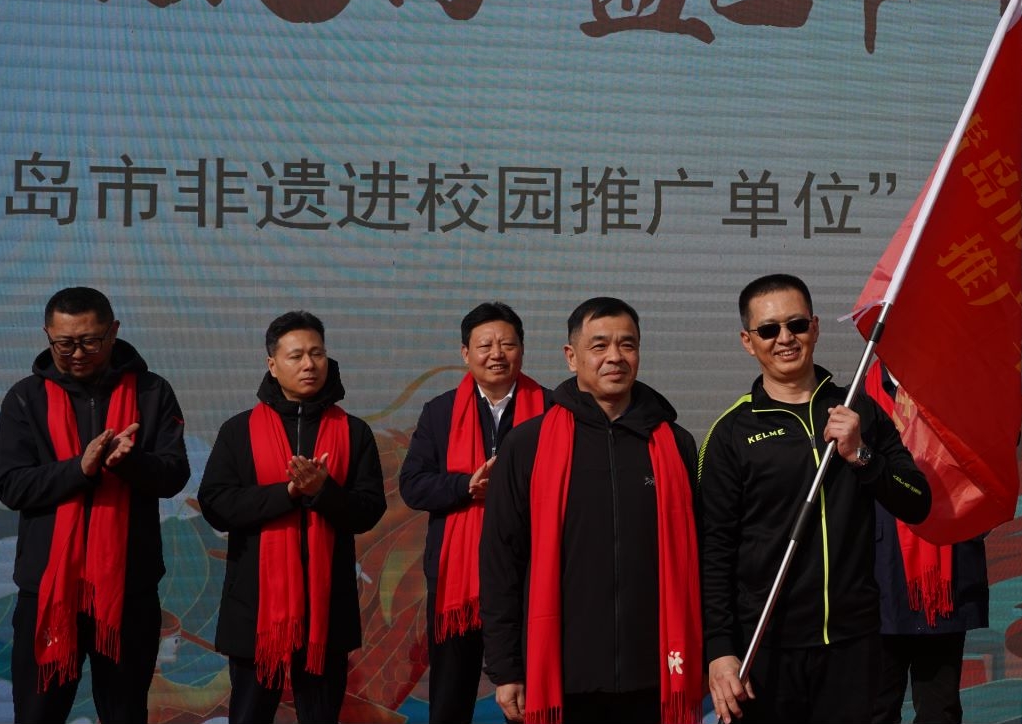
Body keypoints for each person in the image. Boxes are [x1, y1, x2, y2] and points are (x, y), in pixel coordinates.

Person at [700, 273, 932, 724]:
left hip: (854, 643)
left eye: (797, 324)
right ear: (748, 341)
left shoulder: (859, 410)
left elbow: (917, 501)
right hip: (766, 645)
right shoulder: (730, 433)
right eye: (769, 330)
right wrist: (720, 649)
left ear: (816, 327)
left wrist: (861, 455)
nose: (785, 338)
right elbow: (714, 552)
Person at [481, 297, 702, 724]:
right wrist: (506, 668)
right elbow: (500, 561)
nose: (615, 357)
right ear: (571, 356)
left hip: (654, 673)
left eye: (627, 344)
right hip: (562, 675)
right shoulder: (528, 445)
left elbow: (699, 558)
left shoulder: (675, 444)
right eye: (599, 345)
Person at [0, 286, 190, 724]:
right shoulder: (26, 397)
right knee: (37, 714)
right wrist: (79, 469)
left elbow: (174, 475)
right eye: (64, 344)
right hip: (48, 591)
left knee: (125, 714)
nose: (78, 354)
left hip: (128, 590)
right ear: (47, 335)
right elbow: (12, 487)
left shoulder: (151, 392)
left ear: (113, 331)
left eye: (90, 341)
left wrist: (130, 462)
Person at [197, 310, 387, 724]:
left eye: (317, 353)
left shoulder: (354, 432)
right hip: (256, 609)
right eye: (296, 355)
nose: (309, 364)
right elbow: (216, 504)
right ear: (272, 364)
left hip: (326, 612)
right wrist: (286, 494)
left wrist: (323, 492)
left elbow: (369, 510)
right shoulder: (238, 431)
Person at [399, 301, 551, 723]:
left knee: (531, 697)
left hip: (530, 574)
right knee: (451, 698)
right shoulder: (440, 411)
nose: (496, 354)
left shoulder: (553, 409)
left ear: (522, 349)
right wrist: (465, 485)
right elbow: (413, 484)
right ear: (465, 353)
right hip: (457, 579)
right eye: (485, 345)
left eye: (507, 344)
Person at [864, 362, 988, 724]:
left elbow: (994, 462)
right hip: (877, 576)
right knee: (873, 709)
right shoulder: (855, 400)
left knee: (940, 709)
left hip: (946, 577)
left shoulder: (964, 394)